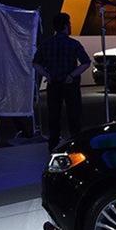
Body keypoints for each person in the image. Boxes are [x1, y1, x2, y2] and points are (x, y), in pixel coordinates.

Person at [32, 13, 91, 151]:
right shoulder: (73, 44)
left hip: (53, 84)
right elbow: (86, 62)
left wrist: (47, 75)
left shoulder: (46, 43)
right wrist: (72, 75)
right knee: (74, 114)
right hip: (70, 84)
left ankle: (53, 145)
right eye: (69, 24)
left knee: (53, 115)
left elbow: (35, 63)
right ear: (65, 26)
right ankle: (76, 144)